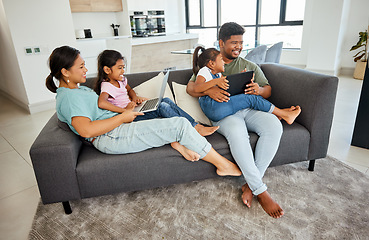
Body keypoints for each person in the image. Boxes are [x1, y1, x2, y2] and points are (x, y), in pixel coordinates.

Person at [45, 45, 242, 176]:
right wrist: (123, 117)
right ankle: (223, 165)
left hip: (117, 127)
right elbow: (86, 130)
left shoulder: (78, 90)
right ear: (65, 71)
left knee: (162, 108)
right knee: (180, 124)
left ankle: (180, 141)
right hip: (111, 136)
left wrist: (126, 113)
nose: (86, 70)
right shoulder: (70, 97)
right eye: (81, 66)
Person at [186, 22, 285, 218]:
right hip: (225, 115)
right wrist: (210, 88)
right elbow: (191, 88)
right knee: (238, 133)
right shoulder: (210, 63)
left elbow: (268, 90)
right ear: (221, 43)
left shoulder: (249, 65)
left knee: (274, 125)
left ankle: (250, 184)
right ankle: (262, 192)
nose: (238, 47)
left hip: (248, 110)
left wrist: (259, 90)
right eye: (233, 42)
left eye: (241, 42)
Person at [93, 50, 219, 138]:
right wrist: (124, 111)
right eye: (119, 68)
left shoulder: (121, 80)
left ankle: (195, 125)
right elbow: (102, 102)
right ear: (107, 70)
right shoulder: (107, 86)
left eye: (123, 67)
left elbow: (130, 90)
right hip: (129, 118)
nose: (123, 71)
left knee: (165, 101)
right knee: (162, 107)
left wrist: (135, 97)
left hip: (134, 110)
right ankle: (194, 129)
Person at [192, 46, 301, 123]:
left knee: (250, 97)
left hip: (218, 106)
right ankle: (284, 114)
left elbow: (226, 89)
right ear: (211, 63)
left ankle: (277, 113)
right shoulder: (204, 71)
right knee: (251, 99)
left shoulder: (218, 74)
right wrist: (215, 82)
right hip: (213, 108)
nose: (224, 62)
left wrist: (242, 79)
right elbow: (197, 88)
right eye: (221, 59)